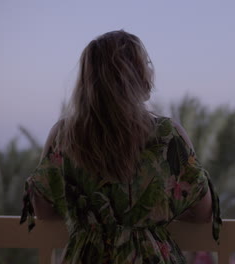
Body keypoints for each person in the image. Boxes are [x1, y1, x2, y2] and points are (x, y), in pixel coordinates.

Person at [20, 30, 221, 264]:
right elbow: (203, 212)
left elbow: (43, 209)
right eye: (146, 63)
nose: (151, 70)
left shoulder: (64, 135)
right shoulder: (167, 134)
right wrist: (153, 214)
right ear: (132, 75)